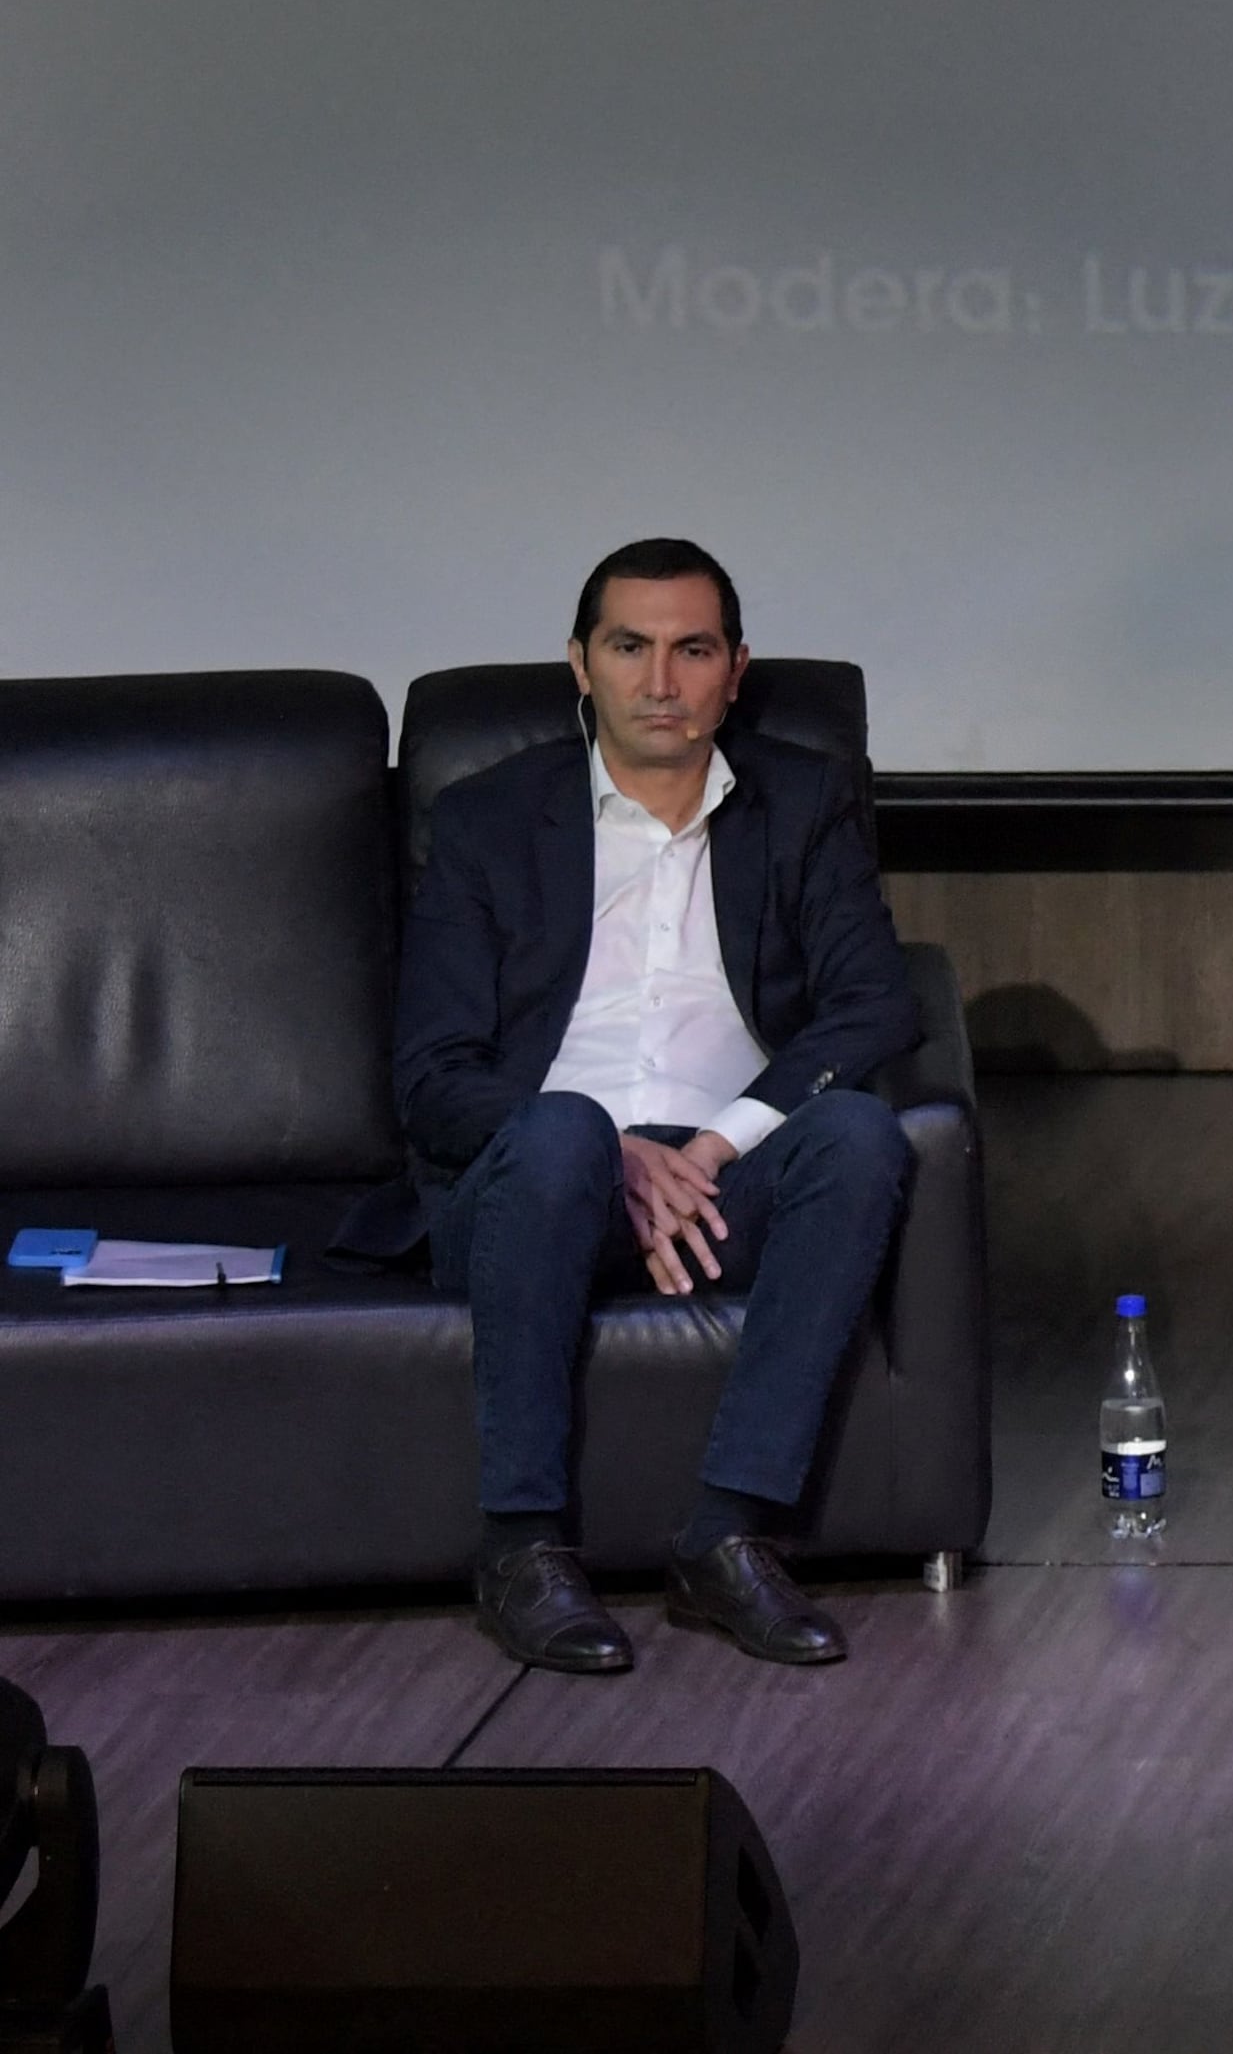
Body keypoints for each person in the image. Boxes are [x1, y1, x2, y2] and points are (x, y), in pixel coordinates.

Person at [392, 539, 921, 1675]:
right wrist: (616, 1150)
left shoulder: (800, 801)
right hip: (542, 1177)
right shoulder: (487, 818)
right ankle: (521, 1548)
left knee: (861, 1134)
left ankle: (727, 1535)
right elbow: (433, 1073)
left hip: (728, 1171)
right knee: (562, 1126)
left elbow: (875, 1003)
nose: (661, 680)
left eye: (692, 649)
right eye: (630, 646)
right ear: (581, 662)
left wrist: (721, 1136)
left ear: (736, 666)